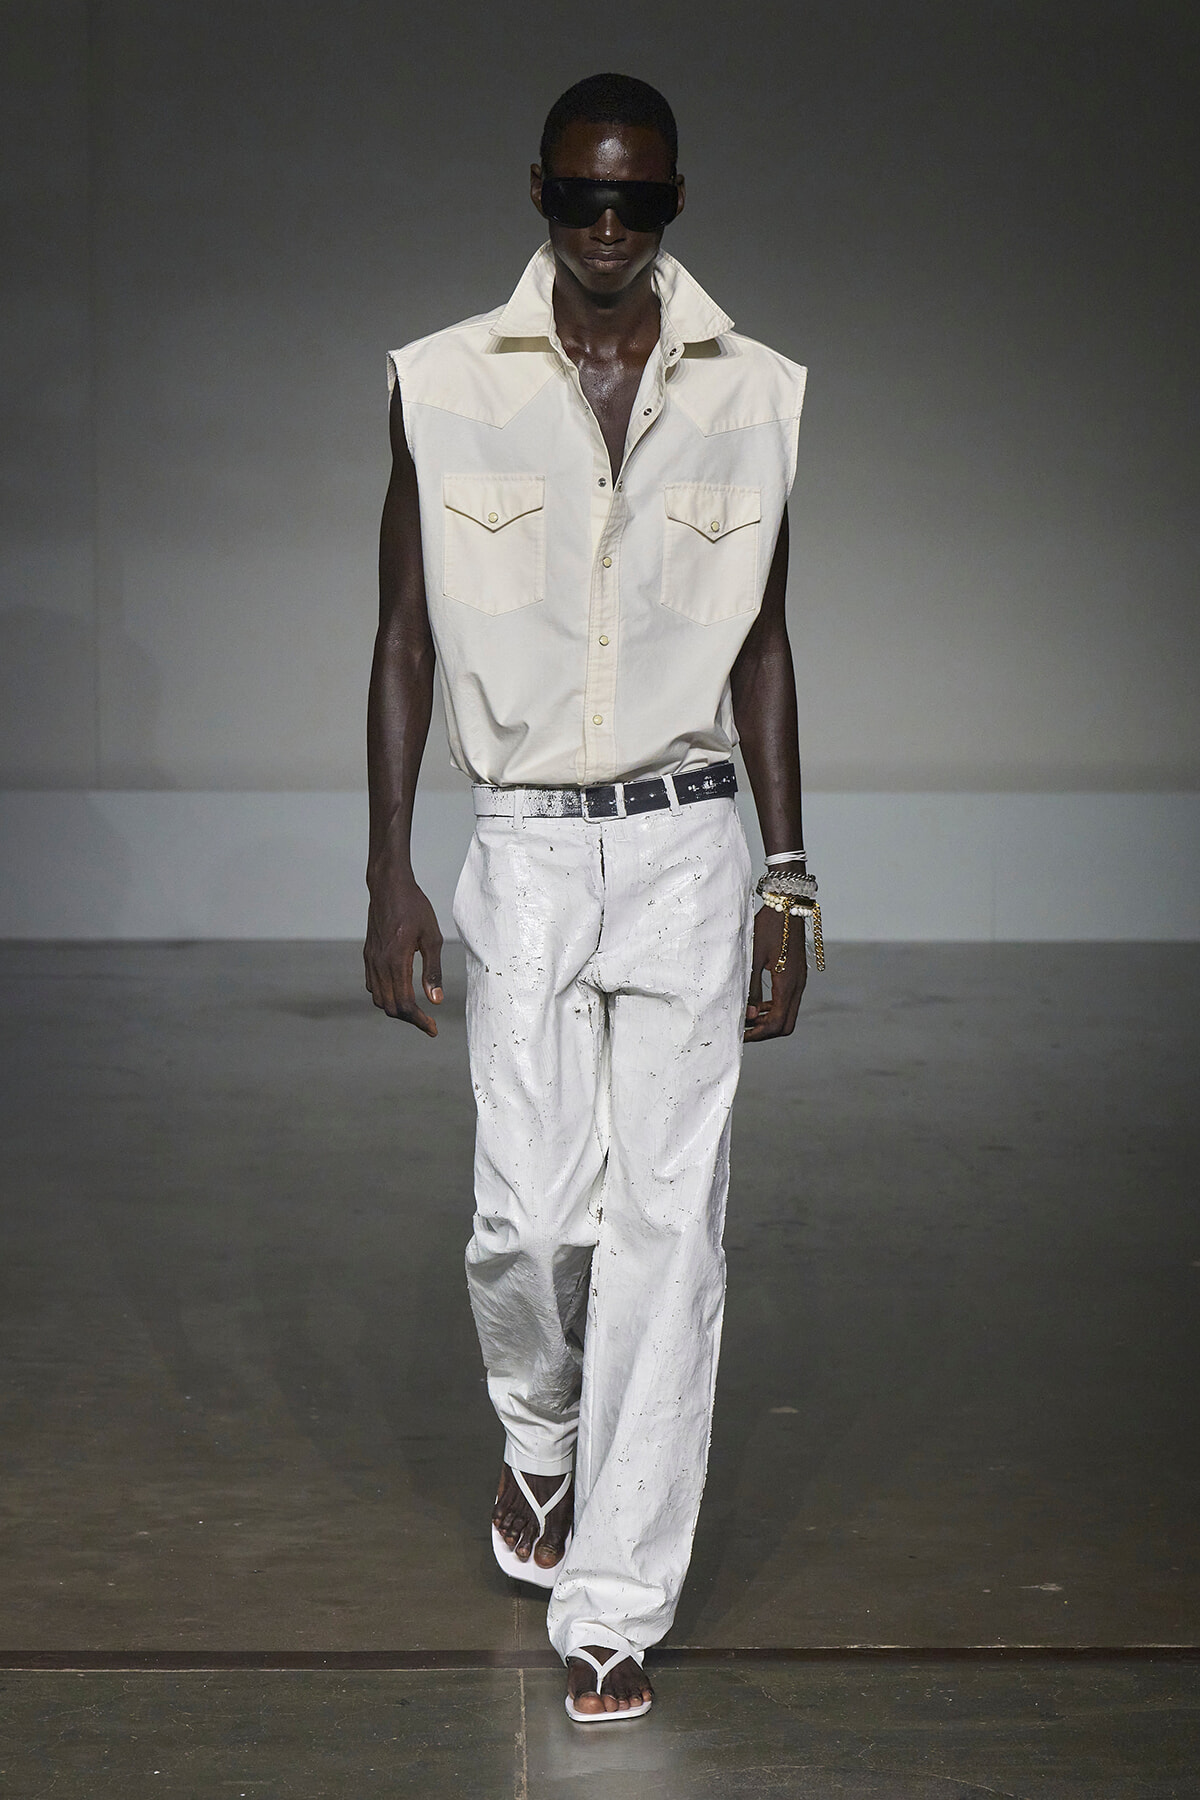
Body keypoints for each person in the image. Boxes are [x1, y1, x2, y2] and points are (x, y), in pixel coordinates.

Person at [364, 72, 816, 1723]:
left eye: (640, 204)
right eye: (581, 199)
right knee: (530, 1222)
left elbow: (764, 640)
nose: (610, 230)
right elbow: (402, 634)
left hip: (695, 846)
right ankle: (539, 1440)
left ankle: (619, 1596)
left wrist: (787, 869)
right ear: (538, 192)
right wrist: (386, 871)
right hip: (529, 846)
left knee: (665, 1236)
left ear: (678, 201)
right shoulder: (436, 384)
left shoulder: (759, 393)